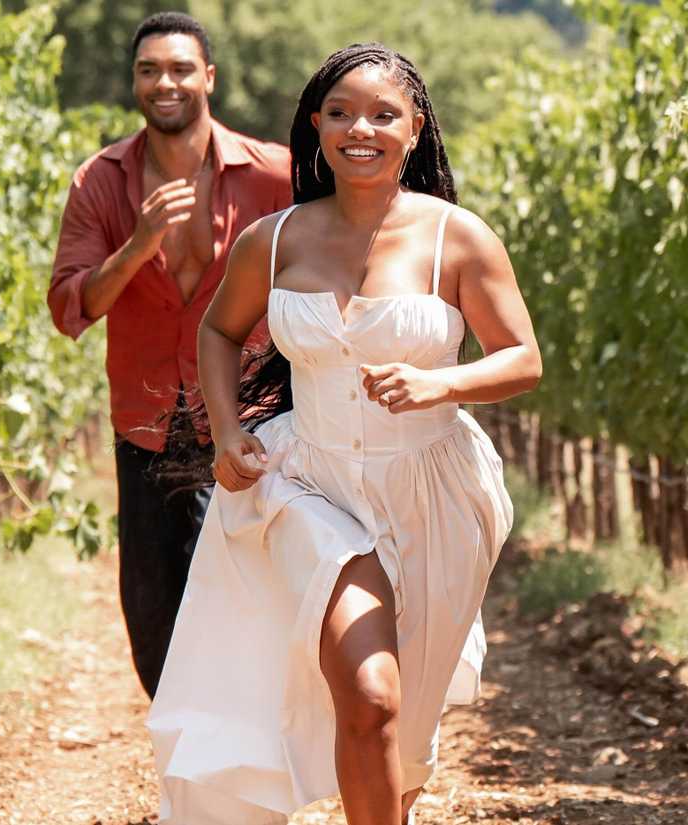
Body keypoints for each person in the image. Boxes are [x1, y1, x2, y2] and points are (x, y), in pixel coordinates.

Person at [146, 43, 542, 825]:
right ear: (317, 127)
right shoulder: (276, 237)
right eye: (339, 113)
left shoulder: (457, 238)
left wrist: (442, 382)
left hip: (432, 492)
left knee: (404, 736)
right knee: (369, 695)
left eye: (382, 114)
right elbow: (219, 334)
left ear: (415, 128)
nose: (360, 129)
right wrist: (227, 434)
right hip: (308, 487)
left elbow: (523, 359)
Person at [47, 12, 292, 698]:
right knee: (152, 620)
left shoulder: (273, 175)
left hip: (254, 425)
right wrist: (138, 244)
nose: (165, 82)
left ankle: (241, 771)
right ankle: (186, 760)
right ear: (135, 82)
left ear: (208, 77)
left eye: (180, 68)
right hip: (148, 425)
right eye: (149, 69)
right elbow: (72, 307)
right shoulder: (100, 181)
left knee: (252, 604)